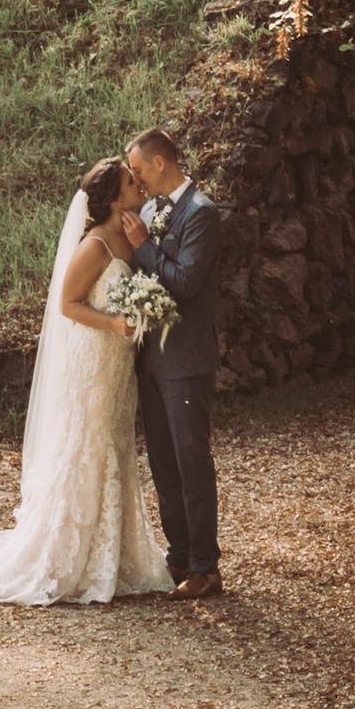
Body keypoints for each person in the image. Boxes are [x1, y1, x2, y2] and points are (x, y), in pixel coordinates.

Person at [0, 158, 174, 606]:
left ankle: (113, 555)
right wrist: (114, 322)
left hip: (119, 364)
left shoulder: (132, 234)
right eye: (130, 180)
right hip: (95, 357)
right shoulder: (96, 244)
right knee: (87, 443)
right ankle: (66, 557)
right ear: (115, 198)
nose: (139, 183)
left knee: (115, 441)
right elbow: (68, 304)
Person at [121, 126, 226, 598]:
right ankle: (179, 554)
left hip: (186, 357)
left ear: (160, 162)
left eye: (138, 169)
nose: (135, 178)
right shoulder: (147, 210)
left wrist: (145, 246)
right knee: (163, 462)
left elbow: (184, 282)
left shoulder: (201, 213)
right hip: (152, 360)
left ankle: (207, 566)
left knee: (191, 460)